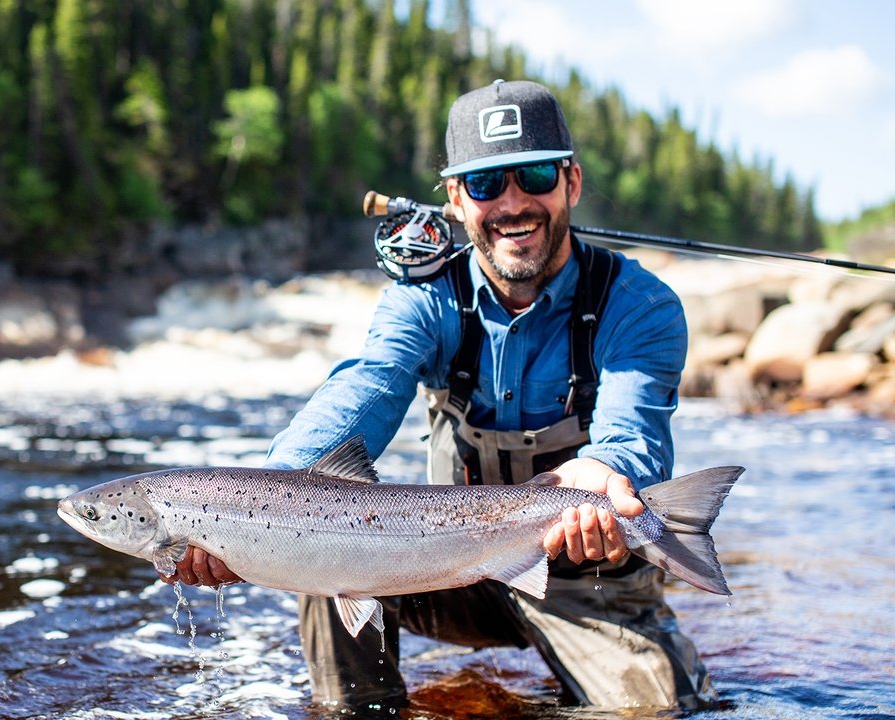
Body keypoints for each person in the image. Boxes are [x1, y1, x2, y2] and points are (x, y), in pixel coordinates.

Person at [161, 79, 715, 712]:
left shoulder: (638, 305)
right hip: (447, 568)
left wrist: (606, 473)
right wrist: (262, 503)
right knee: (321, 552)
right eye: (485, 184)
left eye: (535, 175)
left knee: (661, 711)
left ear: (572, 182)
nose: (513, 203)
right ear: (456, 198)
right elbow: (368, 385)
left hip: (590, 580)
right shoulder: (425, 298)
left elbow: (633, 435)